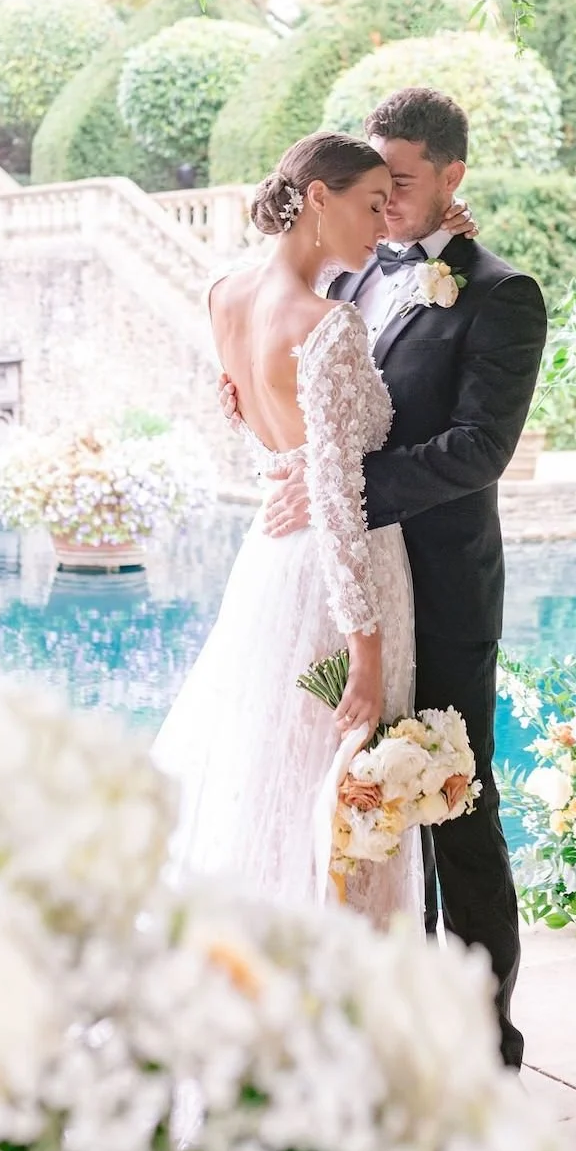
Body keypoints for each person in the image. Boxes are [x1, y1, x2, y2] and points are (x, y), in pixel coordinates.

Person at [223, 89, 548, 1065]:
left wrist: (340, 487)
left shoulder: (500, 294)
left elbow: (478, 449)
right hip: (339, 589)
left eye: (402, 180)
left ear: (452, 177)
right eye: (374, 181)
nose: (386, 198)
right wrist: (278, 442)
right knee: (344, 808)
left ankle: (484, 1040)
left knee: (453, 807)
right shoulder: (352, 272)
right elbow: (296, 393)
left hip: (440, 591)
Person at [150, 130, 423, 927]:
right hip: (343, 577)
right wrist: (366, 656)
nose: (383, 224)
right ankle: (336, 970)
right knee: (339, 796)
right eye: (372, 205)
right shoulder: (330, 324)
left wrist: (291, 463)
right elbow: (338, 500)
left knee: (269, 768)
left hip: (271, 562)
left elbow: (251, 424)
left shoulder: (224, 297)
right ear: (318, 199)